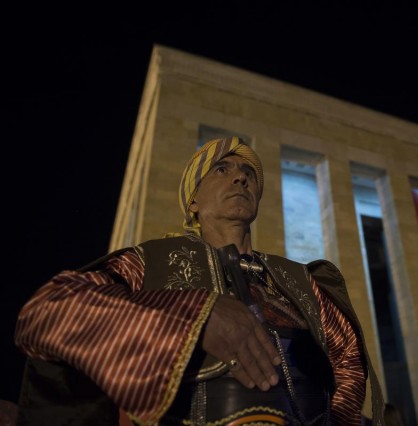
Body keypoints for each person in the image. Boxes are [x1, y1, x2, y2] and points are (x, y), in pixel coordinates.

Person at [14, 136, 385, 425]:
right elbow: (47, 311)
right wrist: (193, 316)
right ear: (193, 201)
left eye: (249, 172)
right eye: (222, 169)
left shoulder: (300, 282)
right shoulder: (152, 263)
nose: (241, 176)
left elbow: (347, 371)